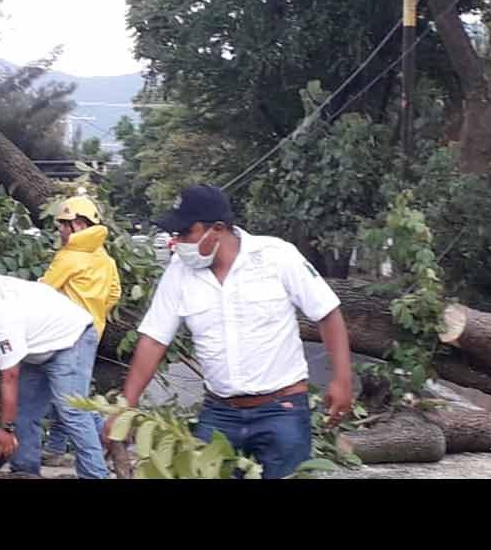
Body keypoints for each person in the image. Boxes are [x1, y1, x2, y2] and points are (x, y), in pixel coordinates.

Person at [105, 184, 353, 479]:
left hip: (282, 409)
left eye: (185, 233)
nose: (178, 242)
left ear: (218, 229)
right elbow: (154, 339)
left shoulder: (277, 257)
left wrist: (342, 380)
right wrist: (125, 406)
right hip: (219, 412)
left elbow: (327, 312)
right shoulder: (179, 273)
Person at [0, 274, 108, 479]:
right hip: (37, 345)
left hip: (72, 339)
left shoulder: (3, 324)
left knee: (72, 412)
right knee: (22, 411)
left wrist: (5, 429)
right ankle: (24, 472)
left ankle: (95, 474)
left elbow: (10, 378)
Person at [38, 195, 121, 466]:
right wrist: (96, 312)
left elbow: (43, 291)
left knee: (73, 400)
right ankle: (55, 448)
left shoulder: (68, 257)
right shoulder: (104, 257)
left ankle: (104, 445)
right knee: (67, 393)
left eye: (63, 224)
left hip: (69, 335)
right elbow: (115, 293)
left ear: (77, 224)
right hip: (92, 331)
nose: (59, 230)